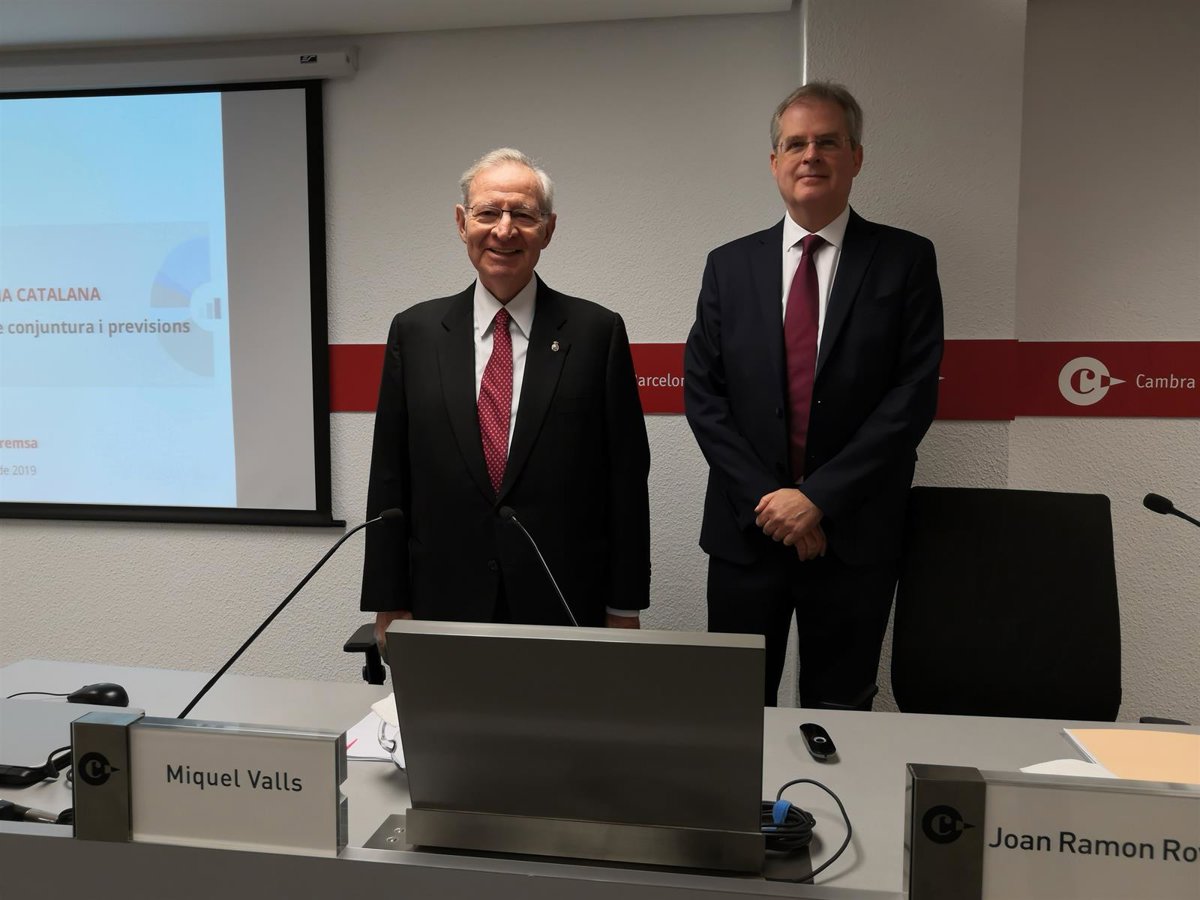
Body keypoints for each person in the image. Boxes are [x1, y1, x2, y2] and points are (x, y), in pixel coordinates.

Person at [684, 83, 944, 708]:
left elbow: (911, 397)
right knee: (735, 711)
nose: (811, 155)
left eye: (828, 141)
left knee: (842, 715)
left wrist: (818, 500)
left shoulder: (905, 260)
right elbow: (705, 396)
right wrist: (773, 504)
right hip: (747, 534)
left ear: (857, 157)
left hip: (854, 536)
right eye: (796, 143)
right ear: (774, 161)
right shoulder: (728, 266)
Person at [361, 148, 650, 651]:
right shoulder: (415, 332)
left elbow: (625, 481)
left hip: (563, 604)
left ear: (549, 229)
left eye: (523, 215)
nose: (504, 229)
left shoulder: (597, 333)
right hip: (442, 604)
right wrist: (388, 600)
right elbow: (389, 476)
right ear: (461, 223)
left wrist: (623, 607)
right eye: (488, 212)